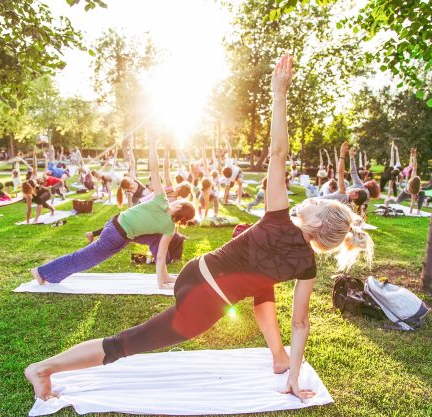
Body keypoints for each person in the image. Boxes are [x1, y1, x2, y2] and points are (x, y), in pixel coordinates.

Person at [25, 55, 373, 403]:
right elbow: (300, 324)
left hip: (197, 272)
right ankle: (43, 369)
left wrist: (279, 94)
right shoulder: (305, 264)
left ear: (314, 222)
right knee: (126, 343)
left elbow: (277, 153)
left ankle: (278, 357)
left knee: (263, 284)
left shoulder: (278, 218)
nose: (312, 200)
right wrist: (295, 376)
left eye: (317, 203)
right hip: (205, 304)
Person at [39, 131, 194, 286]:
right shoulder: (169, 227)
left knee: (154, 238)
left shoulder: (162, 200)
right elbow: (160, 256)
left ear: (180, 205)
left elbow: (154, 169)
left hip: (117, 228)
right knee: (83, 259)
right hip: (116, 234)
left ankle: (164, 276)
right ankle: (42, 272)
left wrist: (152, 143)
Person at [385, 148, 425, 215]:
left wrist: (414, 155)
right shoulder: (412, 179)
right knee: (397, 201)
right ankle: (387, 201)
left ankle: (418, 210)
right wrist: (410, 213)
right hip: (405, 193)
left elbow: (415, 166)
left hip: (412, 192)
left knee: (422, 193)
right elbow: (414, 166)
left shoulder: (415, 186)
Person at [21, 151, 56, 224]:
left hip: (46, 193)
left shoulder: (32, 180)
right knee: (40, 201)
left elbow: (35, 168)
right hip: (38, 197)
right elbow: (29, 209)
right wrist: (27, 221)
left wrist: (34, 156)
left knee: (40, 201)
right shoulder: (28, 196)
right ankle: (52, 209)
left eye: (31, 185)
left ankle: (36, 219)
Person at [221, 135, 244, 205]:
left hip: (239, 172)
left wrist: (227, 141)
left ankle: (239, 200)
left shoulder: (228, 164)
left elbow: (230, 150)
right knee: (228, 189)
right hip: (232, 179)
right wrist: (224, 201)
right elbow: (226, 190)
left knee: (240, 182)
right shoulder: (227, 179)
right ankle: (225, 199)